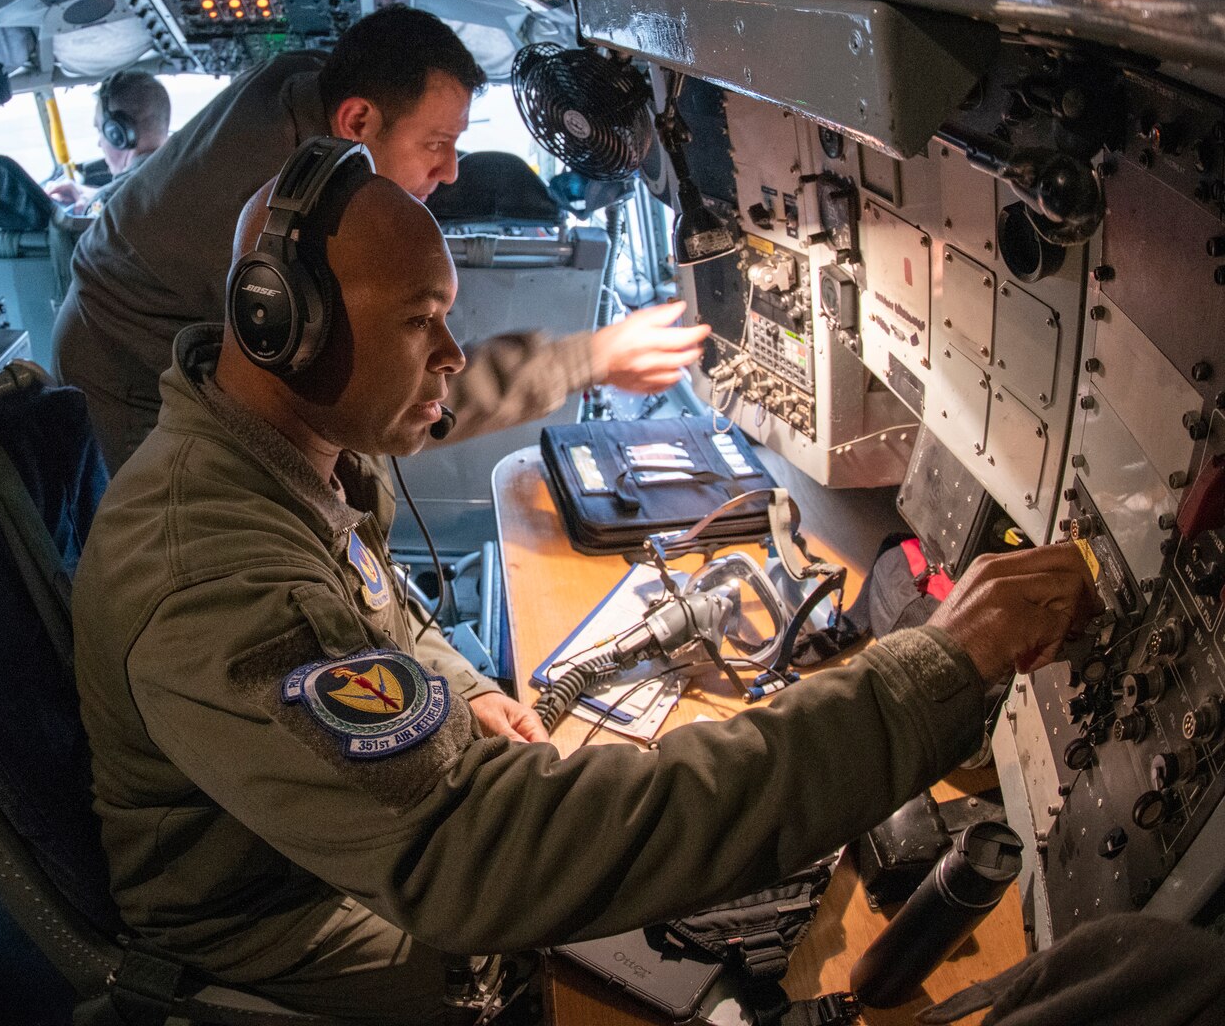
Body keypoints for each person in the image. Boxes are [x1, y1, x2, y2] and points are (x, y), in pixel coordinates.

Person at [70, 158, 1097, 1024]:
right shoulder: (209, 571)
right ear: (278, 321)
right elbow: (475, 857)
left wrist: (464, 686)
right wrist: (921, 680)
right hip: (275, 931)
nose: (451, 356)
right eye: (420, 319)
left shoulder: (292, 455)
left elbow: (377, 612)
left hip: (318, 848)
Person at [53, 5, 707, 471]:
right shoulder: (286, 212)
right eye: (436, 144)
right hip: (127, 367)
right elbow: (391, 406)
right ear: (357, 119)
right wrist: (587, 359)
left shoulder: (310, 85)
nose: (450, 172)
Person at [46, 68, 173, 208]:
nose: (99, 143)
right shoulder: (187, 170)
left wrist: (87, 209)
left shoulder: (112, 204)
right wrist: (91, 195)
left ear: (118, 135)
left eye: (100, 130)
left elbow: (113, 202)